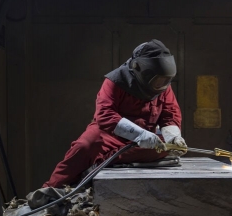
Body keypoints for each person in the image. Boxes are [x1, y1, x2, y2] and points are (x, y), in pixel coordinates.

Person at [42, 39, 187, 188]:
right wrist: (140, 134)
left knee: (165, 149)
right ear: (139, 69)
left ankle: (99, 163)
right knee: (84, 146)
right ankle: (50, 189)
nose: (162, 85)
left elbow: (170, 114)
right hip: (109, 135)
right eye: (159, 80)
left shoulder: (162, 88)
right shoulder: (115, 81)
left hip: (144, 139)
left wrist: (173, 137)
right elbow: (105, 114)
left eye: (166, 80)